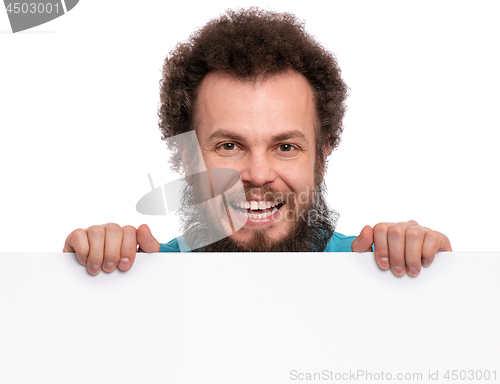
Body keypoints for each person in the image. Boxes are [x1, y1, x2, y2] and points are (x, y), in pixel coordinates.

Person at [63, 7, 452, 276]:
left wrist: (434, 282)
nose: (259, 175)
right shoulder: (136, 270)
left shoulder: (378, 267)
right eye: (229, 146)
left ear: (323, 152)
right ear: (186, 156)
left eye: (285, 147)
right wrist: (80, 285)